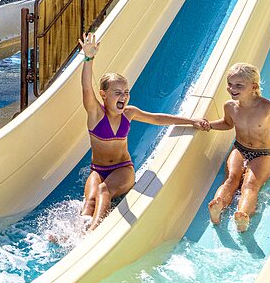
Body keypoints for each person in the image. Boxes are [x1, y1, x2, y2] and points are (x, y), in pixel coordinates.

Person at [79, 32, 209, 231]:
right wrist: (89, 59)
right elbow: (87, 87)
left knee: (104, 191)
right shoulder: (96, 114)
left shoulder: (129, 113)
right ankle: (77, 235)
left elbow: (157, 118)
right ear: (103, 95)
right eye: (117, 93)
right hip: (98, 170)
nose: (124, 96)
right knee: (89, 201)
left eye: (126, 92)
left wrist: (191, 121)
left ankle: (93, 231)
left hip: (123, 169)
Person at [205, 62, 270, 232]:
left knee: (250, 184)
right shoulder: (230, 106)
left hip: (263, 155)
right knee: (231, 178)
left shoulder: (268, 106)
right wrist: (208, 125)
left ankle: (243, 215)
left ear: (253, 86)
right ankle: (217, 206)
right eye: (230, 84)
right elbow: (227, 124)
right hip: (239, 149)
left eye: (239, 85)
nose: (232, 88)